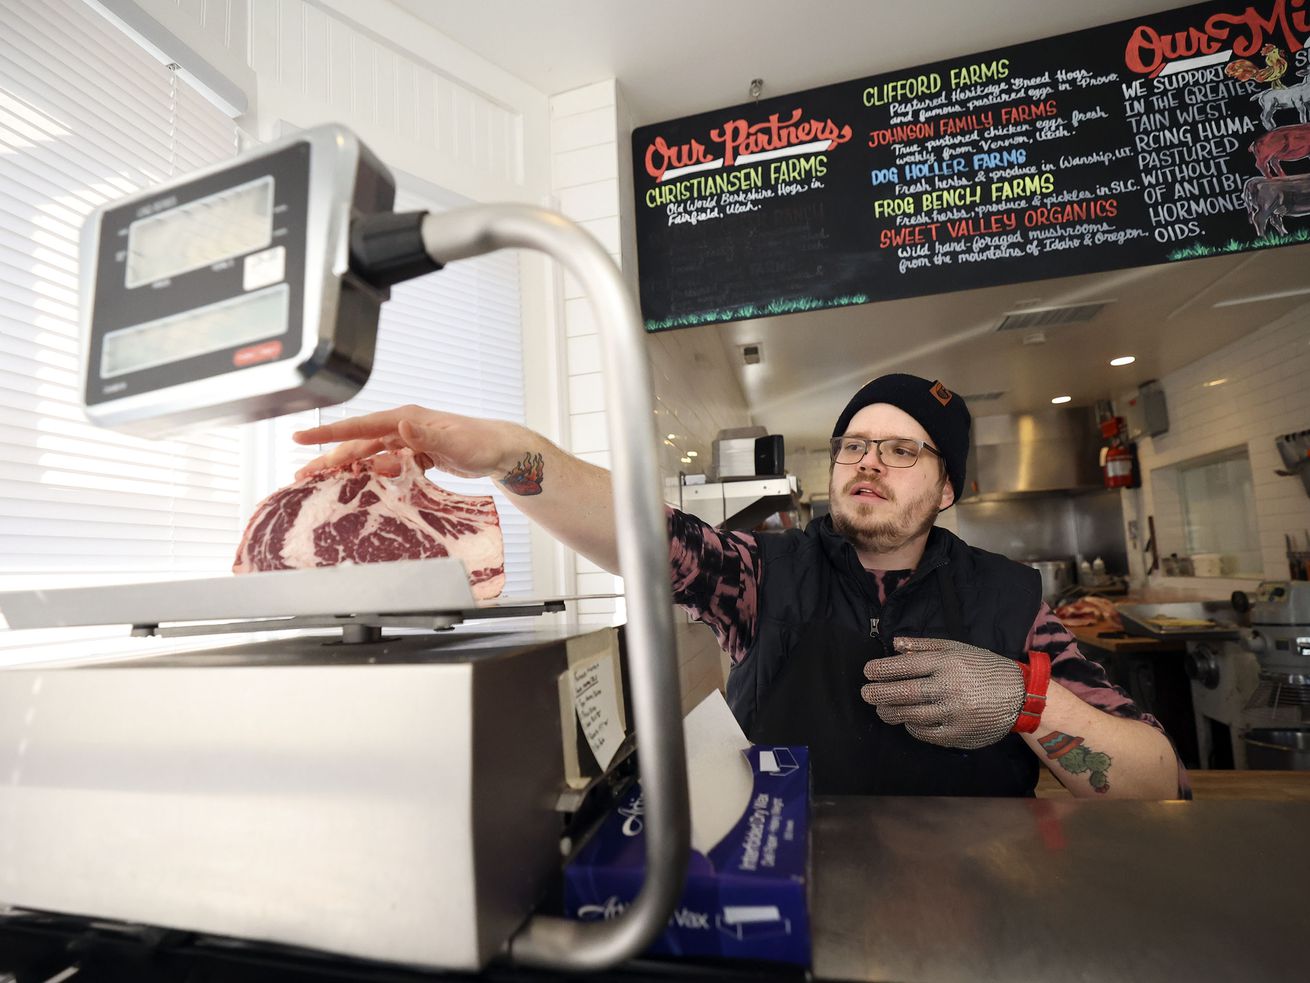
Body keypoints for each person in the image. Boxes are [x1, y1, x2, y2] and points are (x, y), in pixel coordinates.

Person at [292, 373, 1187, 800]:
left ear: (947, 486)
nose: (868, 460)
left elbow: (1155, 779)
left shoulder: (1008, 599)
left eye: (903, 448)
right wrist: (507, 457)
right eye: (853, 444)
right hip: (782, 896)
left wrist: (1025, 702)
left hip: (979, 910)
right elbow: (642, 533)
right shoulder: (767, 571)